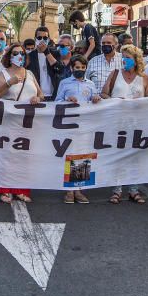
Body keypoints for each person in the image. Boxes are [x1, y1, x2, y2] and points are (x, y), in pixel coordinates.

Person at [101, 45, 148, 205]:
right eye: (123, 57)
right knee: (118, 155)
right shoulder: (115, 74)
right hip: (117, 122)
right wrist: (115, 101)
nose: (124, 60)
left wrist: (140, 103)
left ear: (136, 60)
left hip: (137, 123)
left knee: (134, 157)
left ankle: (134, 189)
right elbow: (104, 93)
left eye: (128, 58)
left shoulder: (144, 78)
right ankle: (116, 190)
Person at [0, 43, 43, 204]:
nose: (19, 55)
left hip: (28, 121)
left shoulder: (29, 74)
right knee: (9, 156)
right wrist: (9, 83)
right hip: (10, 121)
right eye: (15, 53)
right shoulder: (4, 74)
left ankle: (21, 190)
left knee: (24, 156)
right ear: (9, 55)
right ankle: (6, 190)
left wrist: (38, 98)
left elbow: (41, 94)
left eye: (21, 52)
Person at [52, 54, 99, 204]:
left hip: (85, 125)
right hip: (69, 124)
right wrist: (66, 100)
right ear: (72, 68)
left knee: (83, 155)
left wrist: (97, 99)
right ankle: (69, 191)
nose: (80, 70)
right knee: (70, 155)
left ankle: (79, 189)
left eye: (83, 67)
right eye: (77, 67)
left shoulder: (90, 84)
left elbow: (95, 100)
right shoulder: (65, 83)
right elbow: (57, 101)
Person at [26, 26, 63, 100]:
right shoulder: (30, 56)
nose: (42, 40)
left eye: (45, 38)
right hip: (36, 97)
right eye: (39, 38)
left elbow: (59, 70)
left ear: (48, 39)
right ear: (35, 39)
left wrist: (46, 52)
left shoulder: (54, 53)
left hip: (53, 95)